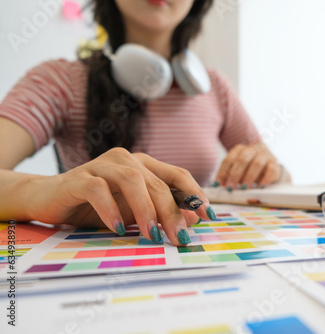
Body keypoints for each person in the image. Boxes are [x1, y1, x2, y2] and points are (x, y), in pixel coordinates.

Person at [0, 0, 289, 246]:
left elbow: (283, 179)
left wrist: (267, 168)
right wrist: (52, 191)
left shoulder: (215, 88)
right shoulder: (58, 81)